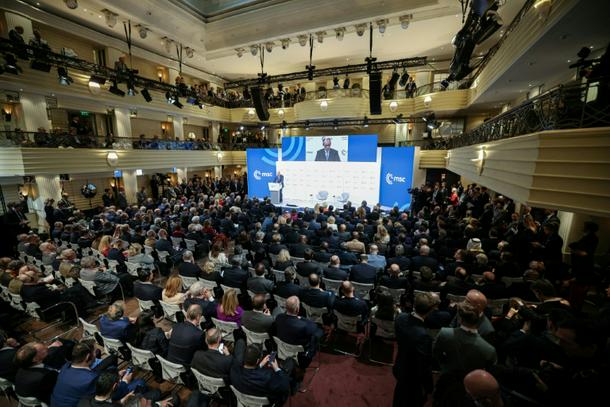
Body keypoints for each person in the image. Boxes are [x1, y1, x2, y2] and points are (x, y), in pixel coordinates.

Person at [432, 302, 497, 405]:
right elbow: (489, 371)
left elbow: (436, 352)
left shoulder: (444, 333)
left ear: (460, 319)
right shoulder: (489, 350)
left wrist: (444, 364)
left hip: (446, 380)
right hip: (470, 389)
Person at [393, 292, 438, 407]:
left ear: (414, 305)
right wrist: (429, 386)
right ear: (430, 311)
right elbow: (424, 365)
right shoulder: (423, 336)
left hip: (400, 366)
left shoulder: (400, 318)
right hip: (413, 378)